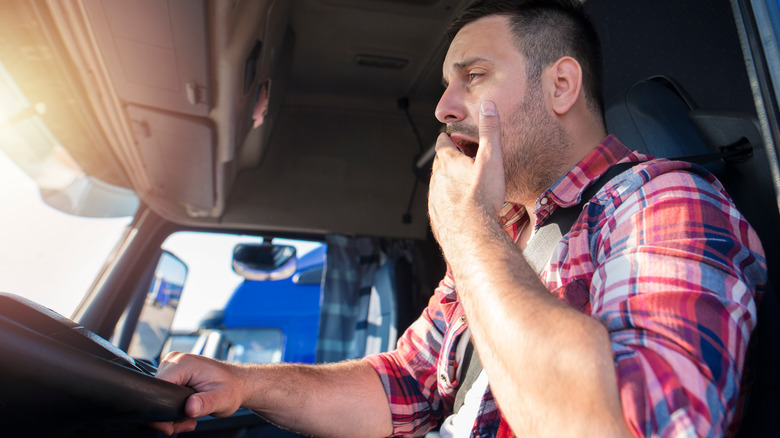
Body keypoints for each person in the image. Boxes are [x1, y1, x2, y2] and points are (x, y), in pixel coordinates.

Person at [152, 1, 767, 436]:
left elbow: (636, 428)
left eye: (473, 77)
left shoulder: (664, 202)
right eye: (447, 85)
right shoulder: (505, 236)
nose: (444, 109)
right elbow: (405, 385)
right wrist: (243, 384)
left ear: (561, 86)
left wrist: (466, 232)